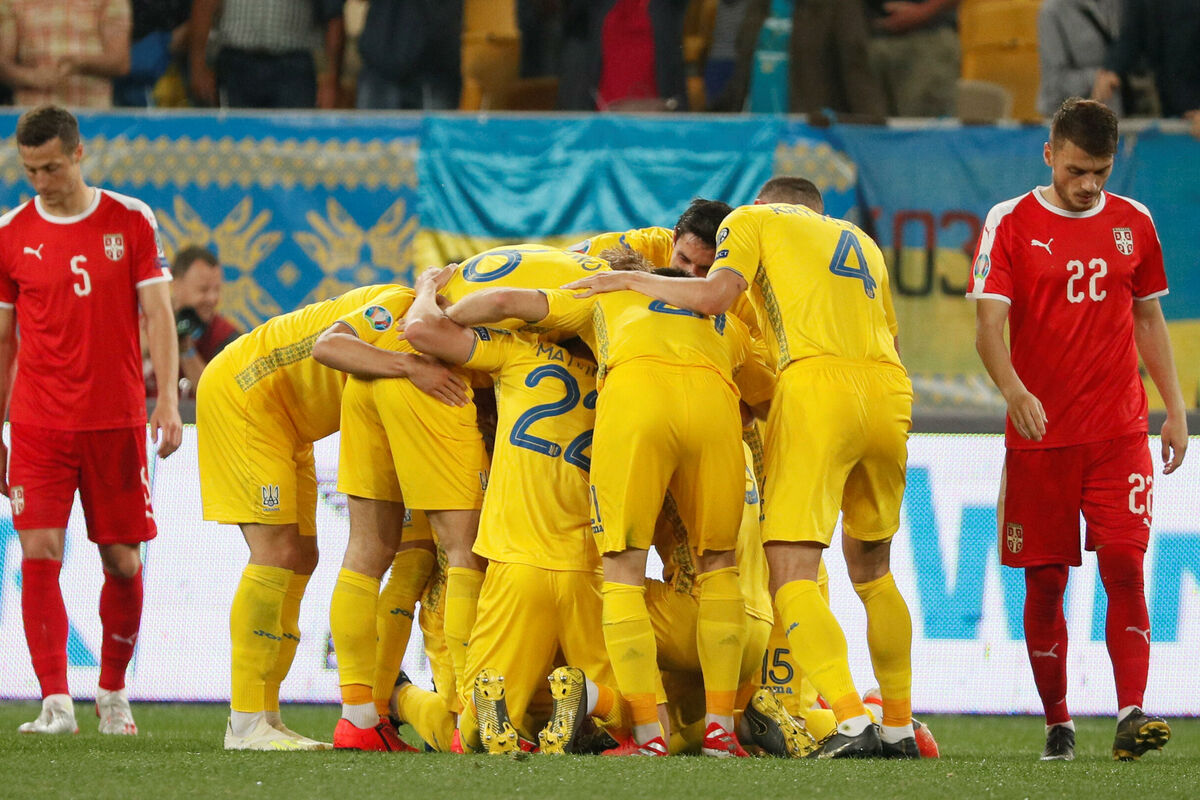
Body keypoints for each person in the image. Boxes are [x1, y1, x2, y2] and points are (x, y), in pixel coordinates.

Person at [560, 175, 917, 759]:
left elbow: (714, 297)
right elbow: (895, 344)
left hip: (816, 387)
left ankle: (853, 721)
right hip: (889, 392)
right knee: (874, 571)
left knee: (792, 573)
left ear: (755, 208)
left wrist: (627, 280)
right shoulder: (861, 240)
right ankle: (898, 724)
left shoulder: (749, 223)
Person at [442, 258, 763, 758]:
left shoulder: (602, 302)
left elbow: (500, 301)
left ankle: (643, 736)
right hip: (742, 613)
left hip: (537, 543)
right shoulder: (730, 327)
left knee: (622, 572)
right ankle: (719, 728)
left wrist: (443, 307)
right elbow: (770, 397)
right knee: (718, 566)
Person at [968, 97, 1187, 761]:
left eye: (1100, 171)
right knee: (1045, 582)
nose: (1089, 184)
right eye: (1076, 170)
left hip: (1119, 431)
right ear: (1049, 155)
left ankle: (1130, 714)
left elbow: (1147, 318)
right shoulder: (1010, 221)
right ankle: (1057, 723)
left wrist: (1175, 409)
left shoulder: (1134, 222)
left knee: (1124, 563)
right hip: (1041, 438)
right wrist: (1015, 391)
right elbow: (988, 327)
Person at [197, 283, 466, 750]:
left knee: (302, 556)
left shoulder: (434, 333)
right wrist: (410, 366)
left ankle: (267, 717)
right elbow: (329, 346)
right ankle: (245, 721)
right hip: (245, 394)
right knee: (276, 553)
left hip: (290, 424)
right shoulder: (399, 307)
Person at [0, 105, 182, 735]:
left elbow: (159, 315)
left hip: (115, 420)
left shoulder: (130, 220)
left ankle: (112, 692)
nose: (40, 181)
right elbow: (4, 341)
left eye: (51, 168)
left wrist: (166, 401)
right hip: (39, 423)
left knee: (123, 561)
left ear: (78, 154)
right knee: (39, 551)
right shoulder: (10, 233)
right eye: (29, 170)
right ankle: (55, 703)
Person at [309, 286, 487, 751]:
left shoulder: (401, 300)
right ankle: (473, 720)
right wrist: (411, 365)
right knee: (465, 551)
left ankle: (362, 716)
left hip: (367, 383)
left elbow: (329, 344)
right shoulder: (481, 302)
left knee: (372, 553)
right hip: (431, 385)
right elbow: (326, 346)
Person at [188, 0, 345, 108]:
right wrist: (198, 66)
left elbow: (334, 16)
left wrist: (330, 81)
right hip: (235, 64)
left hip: (293, 68)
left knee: (291, 139)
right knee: (236, 136)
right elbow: (204, 5)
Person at [0, 0, 132, 108]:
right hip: (32, 115)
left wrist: (80, 63)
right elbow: (3, 64)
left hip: (91, 116)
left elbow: (120, 62)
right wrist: (31, 77)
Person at [571, 198, 732, 276]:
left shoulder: (740, 288)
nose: (691, 274)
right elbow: (563, 269)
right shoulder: (635, 247)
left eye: (706, 268)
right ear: (674, 238)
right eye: (684, 259)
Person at [170, 245, 240, 394]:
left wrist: (186, 350)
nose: (213, 298)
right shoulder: (146, 326)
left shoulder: (227, 338)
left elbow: (221, 396)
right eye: (203, 289)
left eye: (217, 290)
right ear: (176, 285)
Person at [1037, 0, 1123, 117]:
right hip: (1072, 118)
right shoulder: (1052, 10)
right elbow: (1054, 81)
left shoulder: (1119, 4)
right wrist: (1097, 78)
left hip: (1120, 111)